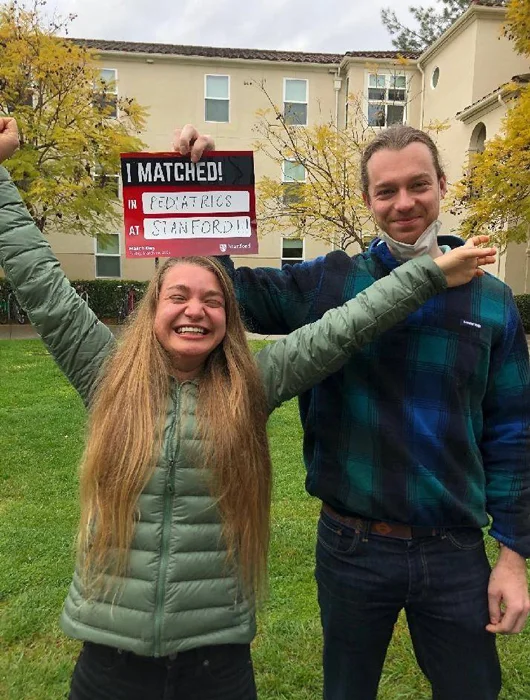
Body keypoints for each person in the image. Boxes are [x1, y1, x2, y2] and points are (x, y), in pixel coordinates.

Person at [0, 118, 495, 700]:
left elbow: (345, 326)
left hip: (218, 660)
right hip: (109, 656)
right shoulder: (107, 375)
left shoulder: (251, 384)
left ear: (229, 318)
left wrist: (428, 275)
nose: (195, 310)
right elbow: (39, 281)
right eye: (177, 296)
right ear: (151, 311)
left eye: (213, 300)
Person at [173, 123, 530, 700]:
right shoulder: (330, 283)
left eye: (418, 185)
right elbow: (230, 296)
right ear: (367, 201)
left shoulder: (491, 301)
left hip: (454, 548)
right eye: (386, 191)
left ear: (443, 185)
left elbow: (515, 432)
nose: (404, 203)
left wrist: (513, 558)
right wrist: (204, 185)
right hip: (353, 545)